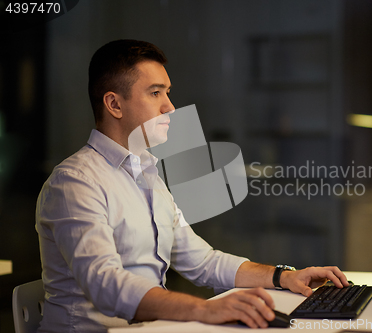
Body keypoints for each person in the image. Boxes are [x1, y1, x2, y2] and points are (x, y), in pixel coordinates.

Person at [35, 39, 348, 332]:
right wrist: (205, 310)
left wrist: (284, 276)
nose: (170, 107)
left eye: (168, 93)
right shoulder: (75, 183)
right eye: (155, 93)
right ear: (114, 104)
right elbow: (106, 285)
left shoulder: (148, 176)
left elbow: (203, 261)